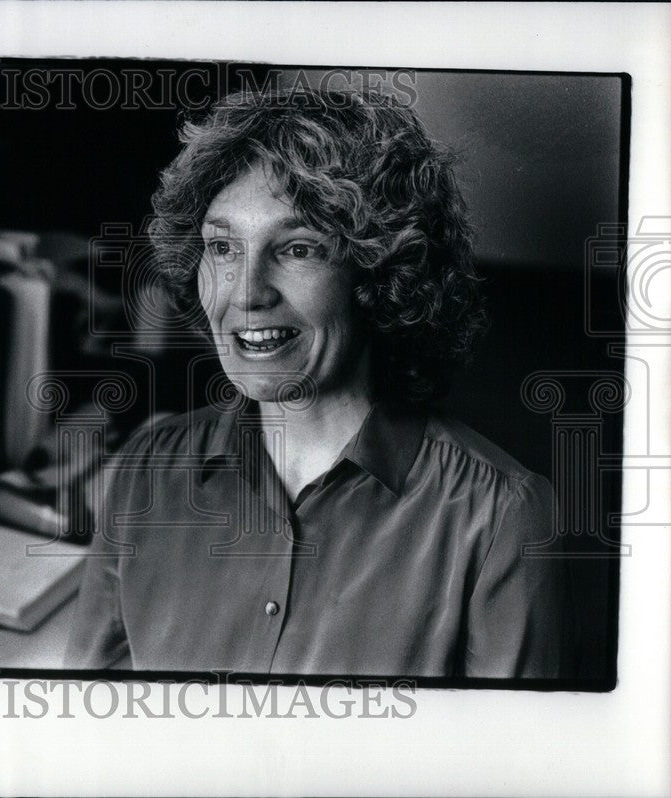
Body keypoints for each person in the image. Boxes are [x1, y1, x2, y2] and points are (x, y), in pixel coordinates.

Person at [65, 88, 571, 678]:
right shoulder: (144, 469)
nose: (247, 292)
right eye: (223, 247)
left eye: (299, 249)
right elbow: (90, 736)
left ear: (378, 276)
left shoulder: (500, 517)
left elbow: (512, 767)